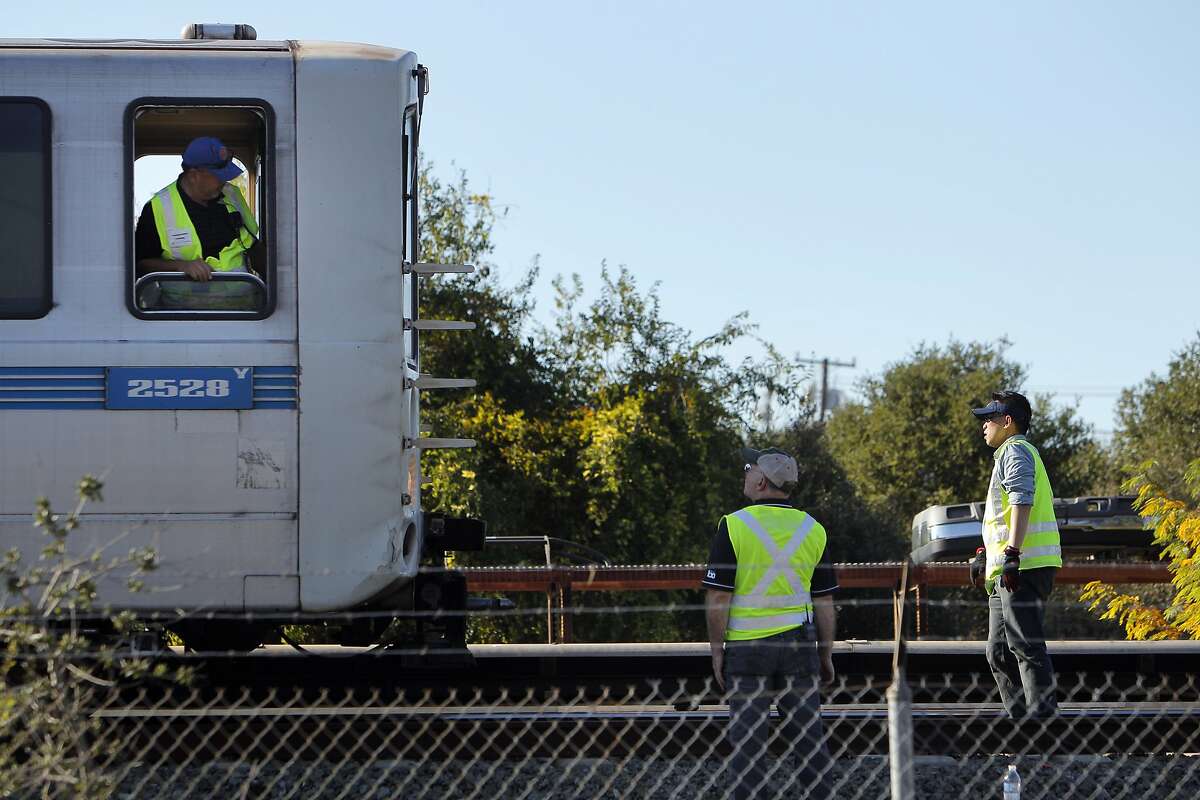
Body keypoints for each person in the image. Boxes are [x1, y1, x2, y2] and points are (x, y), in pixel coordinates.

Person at [704, 446, 838, 799]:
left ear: (761, 480)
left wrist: (717, 652)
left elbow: (718, 597)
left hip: (747, 651)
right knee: (809, 741)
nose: (745, 475)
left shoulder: (733, 526)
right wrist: (825, 654)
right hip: (799, 645)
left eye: (748, 470)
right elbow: (824, 601)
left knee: (748, 749)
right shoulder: (814, 529)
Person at [969, 390, 1061, 718]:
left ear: (1007, 422)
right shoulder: (1007, 454)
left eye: (988, 419)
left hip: (1023, 566)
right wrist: (984, 554)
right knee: (998, 652)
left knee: (1025, 645)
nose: (983, 426)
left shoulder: (1016, 450)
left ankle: (1042, 730)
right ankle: (1022, 725)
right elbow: (1002, 513)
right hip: (1006, 568)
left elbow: (1022, 501)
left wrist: (1012, 554)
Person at [134, 136, 261, 308]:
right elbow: (140, 265)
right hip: (185, 315)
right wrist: (181, 266)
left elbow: (253, 246)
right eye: (219, 175)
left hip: (243, 310)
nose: (225, 180)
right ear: (194, 175)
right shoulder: (157, 209)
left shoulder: (232, 195)